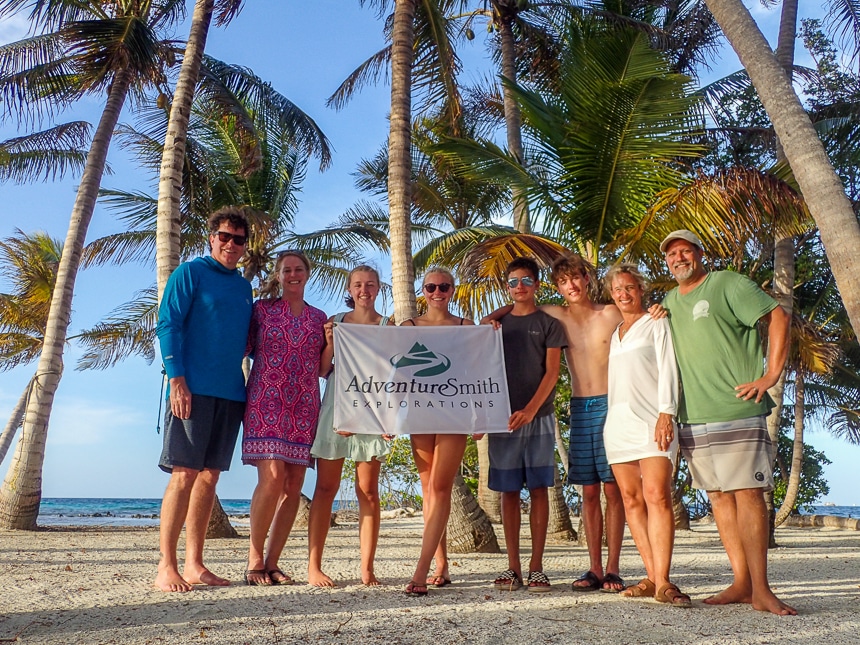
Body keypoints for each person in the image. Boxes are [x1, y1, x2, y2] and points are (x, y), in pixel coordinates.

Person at [659, 229, 795, 615]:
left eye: (685, 250)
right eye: (672, 254)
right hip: (693, 416)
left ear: (700, 255)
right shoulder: (669, 300)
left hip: (736, 409)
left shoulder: (727, 283)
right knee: (718, 497)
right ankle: (741, 582)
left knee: (748, 495)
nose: (678, 258)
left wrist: (770, 376)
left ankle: (763, 590)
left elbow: (778, 316)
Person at [481, 253, 626, 592]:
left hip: (613, 403)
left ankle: (613, 568)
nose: (572, 285)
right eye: (564, 281)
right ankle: (593, 568)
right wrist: (493, 316)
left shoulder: (610, 312)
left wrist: (659, 311)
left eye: (576, 278)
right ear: (557, 286)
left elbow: (641, 321)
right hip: (578, 406)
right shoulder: (553, 314)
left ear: (587, 278)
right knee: (589, 490)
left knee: (613, 488)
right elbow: (515, 307)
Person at [154, 207, 253, 592]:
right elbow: (168, 324)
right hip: (190, 388)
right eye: (224, 237)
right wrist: (177, 380)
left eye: (238, 240)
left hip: (231, 391)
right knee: (184, 474)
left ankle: (195, 564)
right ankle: (167, 565)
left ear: (245, 246)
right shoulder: (190, 273)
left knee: (210, 477)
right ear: (211, 238)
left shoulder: (244, 288)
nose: (231, 244)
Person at [242, 250, 333, 586]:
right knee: (272, 478)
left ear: (307, 274)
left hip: (305, 405)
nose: (293, 274)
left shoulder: (319, 318)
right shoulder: (261, 311)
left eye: (298, 269)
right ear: (278, 276)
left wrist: (332, 343)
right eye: (286, 270)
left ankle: (273, 562)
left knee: (294, 485)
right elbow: (240, 346)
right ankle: (254, 558)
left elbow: (323, 369)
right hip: (266, 400)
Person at [602, 264, 690, 607]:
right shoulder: (615, 333)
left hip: (653, 420)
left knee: (657, 495)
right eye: (617, 290)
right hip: (618, 425)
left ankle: (664, 580)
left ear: (641, 289)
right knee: (631, 500)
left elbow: (670, 368)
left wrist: (666, 412)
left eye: (629, 287)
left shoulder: (657, 321)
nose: (623, 294)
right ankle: (652, 577)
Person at [307, 265, 394, 587]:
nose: (364, 290)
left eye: (370, 284)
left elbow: (392, 377)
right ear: (350, 287)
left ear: (378, 288)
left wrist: (390, 419)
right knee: (325, 490)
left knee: (368, 492)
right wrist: (329, 342)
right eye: (358, 284)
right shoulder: (336, 322)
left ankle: (367, 568)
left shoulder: (388, 326)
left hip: (372, 414)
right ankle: (314, 566)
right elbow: (322, 369)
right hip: (336, 410)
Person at [485, 258, 567, 593]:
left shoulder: (549, 322)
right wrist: (497, 315)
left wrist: (531, 410)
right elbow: (482, 332)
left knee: (538, 489)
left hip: (540, 416)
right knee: (507, 492)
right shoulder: (496, 325)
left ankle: (537, 568)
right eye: (513, 281)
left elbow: (552, 373)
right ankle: (513, 567)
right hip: (501, 418)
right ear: (507, 287)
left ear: (537, 284)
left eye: (527, 281)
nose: (520, 286)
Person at [400, 267, 473, 596]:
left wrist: (480, 418)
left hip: (455, 414)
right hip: (419, 412)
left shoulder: (466, 327)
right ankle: (441, 564)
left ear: (453, 290)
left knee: (441, 487)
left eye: (444, 286)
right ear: (423, 291)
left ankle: (421, 569)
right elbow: (395, 372)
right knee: (428, 489)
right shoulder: (409, 327)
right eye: (431, 287)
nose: (437, 291)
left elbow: (478, 374)